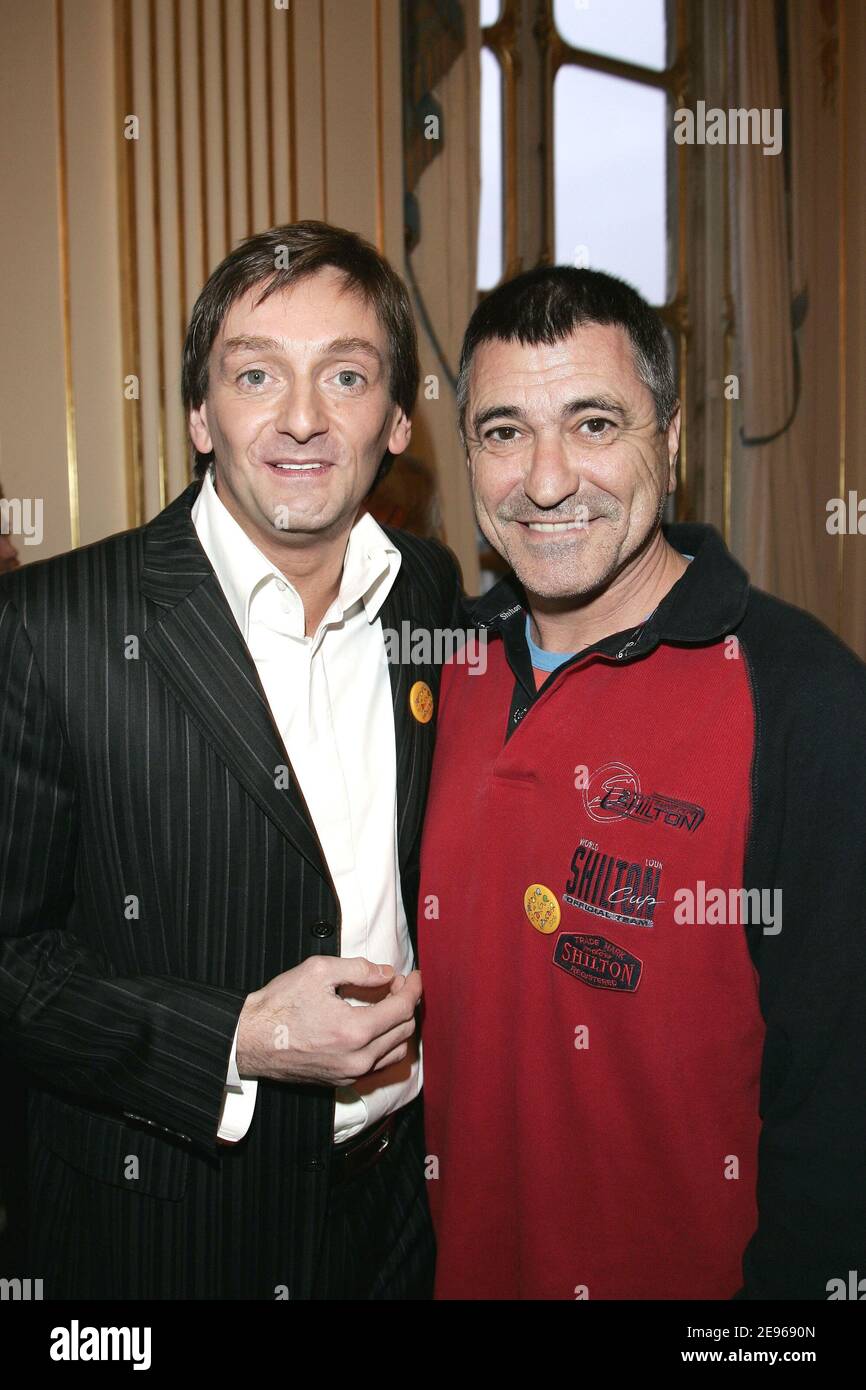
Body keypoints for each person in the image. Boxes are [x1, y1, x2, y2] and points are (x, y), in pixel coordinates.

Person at [0, 220, 460, 1300]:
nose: (301, 418)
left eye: (344, 375)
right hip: (160, 1229)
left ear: (394, 420)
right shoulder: (49, 627)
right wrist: (237, 1037)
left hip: (398, 1210)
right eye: (256, 373)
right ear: (202, 415)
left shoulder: (431, 596)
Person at [418, 265, 866, 1300]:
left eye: (591, 423)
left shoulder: (806, 704)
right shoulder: (434, 671)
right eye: (501, 432)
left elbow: (840, 1109)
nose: (543, 479)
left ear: (670, 441)